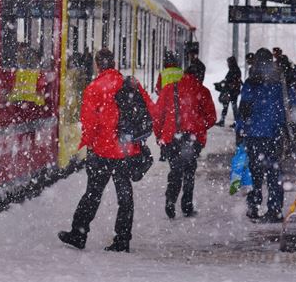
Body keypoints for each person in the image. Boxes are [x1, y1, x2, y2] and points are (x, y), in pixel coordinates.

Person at [59, 48, 152, 253]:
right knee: (125, 195)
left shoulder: (94, 88)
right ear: (114, 63)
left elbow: (89, 123)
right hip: (125, 151)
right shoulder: (130, 84)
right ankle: (122, 239)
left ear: (97, 65)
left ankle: (79, 233)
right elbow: (149, 110)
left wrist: (88, 144)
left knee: (92, 193)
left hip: (102, 151)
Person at [154, 58, 218, 218]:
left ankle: (170, 199)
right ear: (200, 75)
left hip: (171, 137)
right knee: (189, 171)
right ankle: (187, 205)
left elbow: (158, 116)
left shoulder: (169, 89)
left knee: (175, 169)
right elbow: (211, 118)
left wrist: (159, 135)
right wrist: (198, 126)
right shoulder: (202, 91)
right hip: (192, 139)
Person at [238, 48, 287, 222]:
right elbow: (286, 108)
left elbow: (243, 109)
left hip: (254, 135)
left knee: (254, 173)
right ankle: (274, 209)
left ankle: (254, 206)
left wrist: (240, 130)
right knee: (274, 173)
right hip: (273, 134)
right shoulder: (279, 83)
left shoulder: (251, 82)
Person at [214, 56, 243, 127]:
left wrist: (223, 83)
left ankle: (228, 121)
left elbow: (230, 80)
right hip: (232, 91)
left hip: (232, 91)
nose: (228, 64)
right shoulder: (234, 69)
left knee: (231, 106)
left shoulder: (234, 70)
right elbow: (228, 80)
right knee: (230, 106)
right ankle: (233, 122)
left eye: (228, 62)